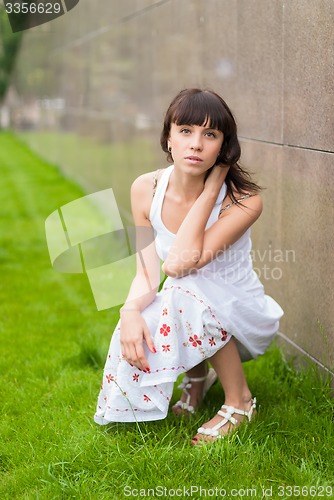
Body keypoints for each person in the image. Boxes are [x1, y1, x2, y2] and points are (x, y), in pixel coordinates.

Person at [94, 88, 284, 444]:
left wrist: (211, 188)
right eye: (186, 131)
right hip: (190, 304)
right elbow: (148, 272)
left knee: (182, 288)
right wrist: (129, 310)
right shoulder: (145, 188)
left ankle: (240, 402)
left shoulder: (243, 200)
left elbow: (179, 263)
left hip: (241, 313)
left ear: (224, 147)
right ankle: (197, 380)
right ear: (168, 136)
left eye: (210, 134)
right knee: (151, 310)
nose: (196, 144)